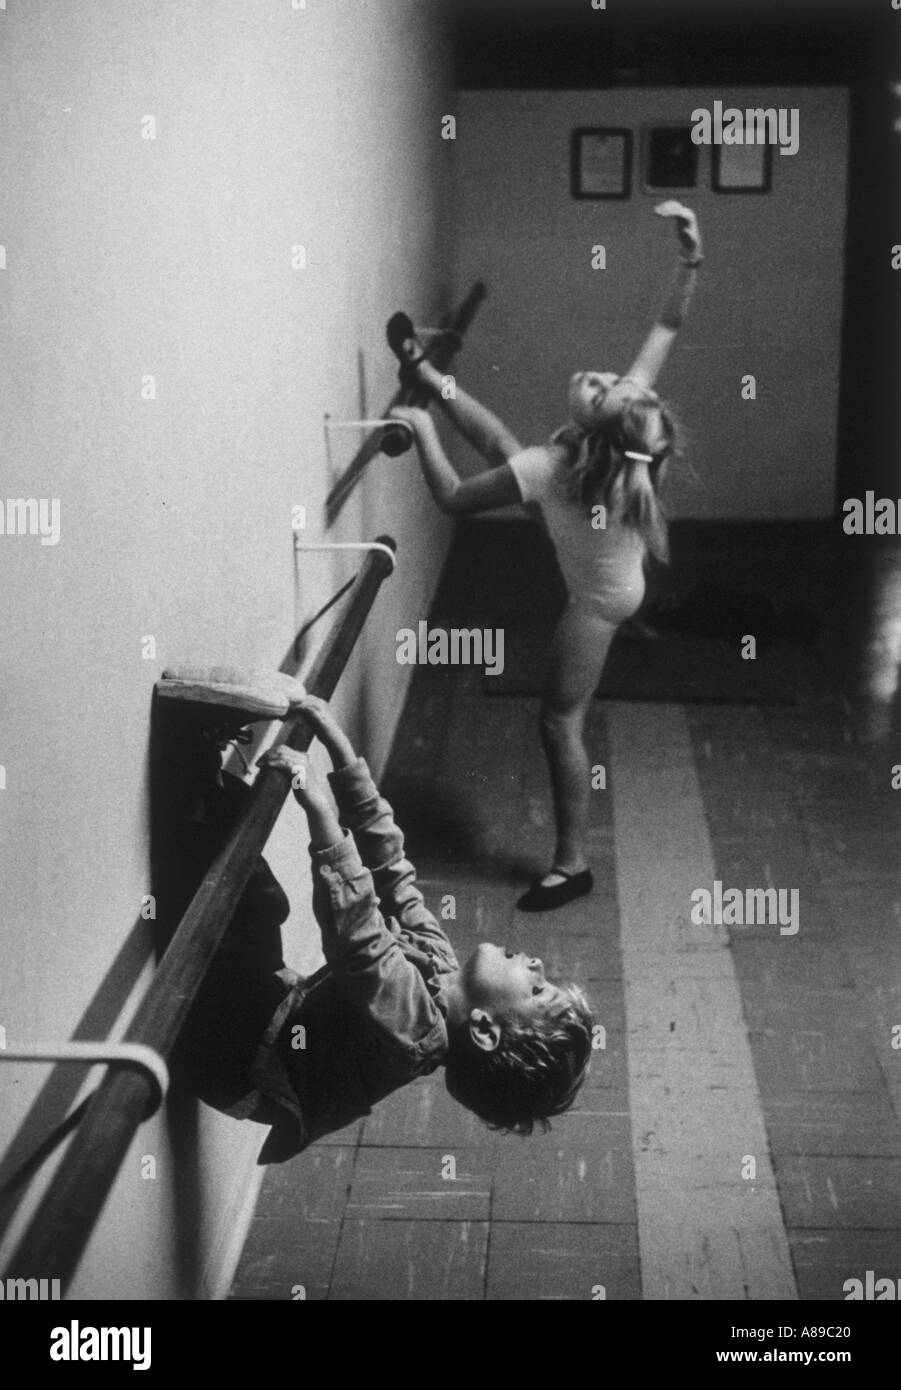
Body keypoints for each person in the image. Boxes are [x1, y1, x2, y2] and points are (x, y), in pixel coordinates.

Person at [386, 201, 703, 912]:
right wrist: (689, 258)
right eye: (608, 377)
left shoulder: (557, 470)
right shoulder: (599, 447)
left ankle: (571, 865)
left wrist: (418, 428)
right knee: (508, 453)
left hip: (600, 601)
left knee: (557, 723)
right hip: (609, 566)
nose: (597, 374)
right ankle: (434, 380)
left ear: (589, 430)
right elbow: (667, 327)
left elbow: (452, 497)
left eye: (599, 387)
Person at [154, 672, 595, 1163]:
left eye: (537, 989)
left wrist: (318, 808)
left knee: (260, 902)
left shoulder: (411, 1029)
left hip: (231, 1063)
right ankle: (202, 778)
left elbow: (358, 937)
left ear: (485, 1030)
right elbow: (392, 871)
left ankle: (189, 762)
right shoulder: (441, 966)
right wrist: (334, 739)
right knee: (258, 903)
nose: (536, 964)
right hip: (266, 1021)